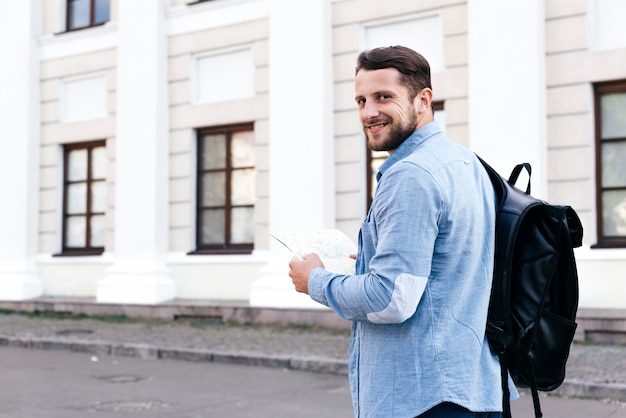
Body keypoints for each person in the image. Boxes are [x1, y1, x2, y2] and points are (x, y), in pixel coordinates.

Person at [288, 45, 517, 417]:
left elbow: (389, 298)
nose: (368, 112)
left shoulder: (411, 174)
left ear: (423, 99)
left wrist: (314, 279)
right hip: (474, 387)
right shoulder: (466, 162)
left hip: (422, 399)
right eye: (361, 100)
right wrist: (367, 262)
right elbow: (446, 265)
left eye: (384, 97)